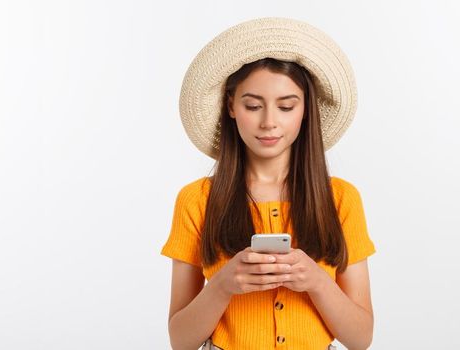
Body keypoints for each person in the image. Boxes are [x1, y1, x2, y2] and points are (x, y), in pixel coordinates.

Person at [161, 17, 376, 350]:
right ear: (231, 106)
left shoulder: (341, 199)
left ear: (306, 110)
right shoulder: (197, 200)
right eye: (252, 106)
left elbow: (361, 338)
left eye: (287, 106)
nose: (269, 122)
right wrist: (222, 286)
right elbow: (180, 341)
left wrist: (317, 282)